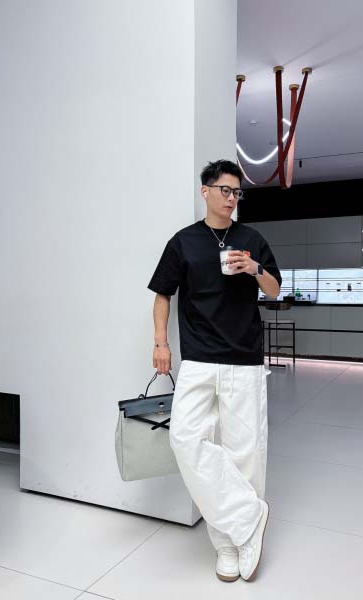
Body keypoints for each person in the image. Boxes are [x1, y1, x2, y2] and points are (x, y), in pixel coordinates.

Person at [147, 159, 281, 582]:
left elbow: (275, 289)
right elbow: (162, 295)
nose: (231, 198)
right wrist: (161, 343)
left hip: (244, 358)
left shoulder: (251, 239)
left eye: (236, 192)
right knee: (185, 439)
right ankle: (247, 519)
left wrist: (255, 269)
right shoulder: (183, 242)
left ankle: (231, 545)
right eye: (224, 190)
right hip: (199, 359)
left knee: (246, 452)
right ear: (205, 191)